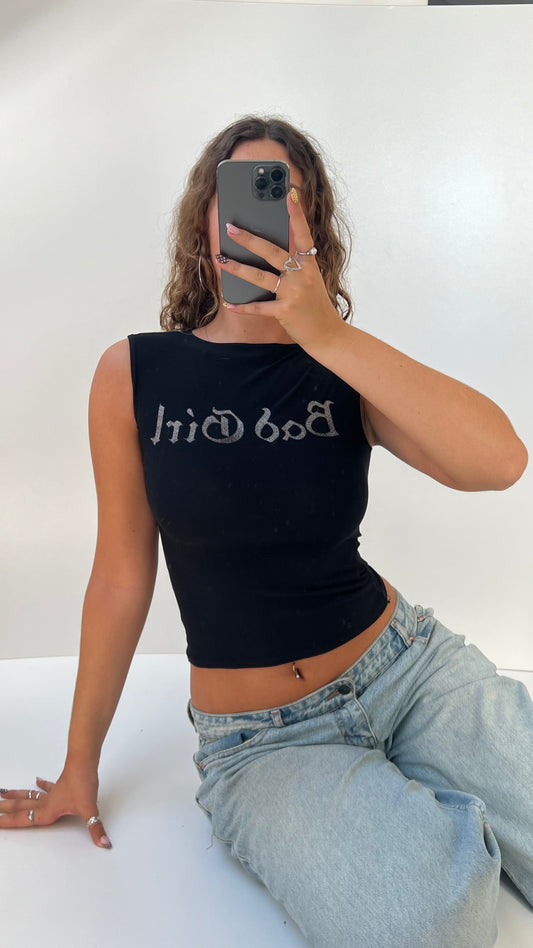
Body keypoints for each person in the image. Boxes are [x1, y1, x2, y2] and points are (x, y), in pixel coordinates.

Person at [1, 115, 531, 948]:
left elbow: (498, 461)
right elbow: (119, 577)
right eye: (241, 192)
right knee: (434, 926)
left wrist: (325, 331)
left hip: (408, 669)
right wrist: (79, 765)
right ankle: (441, 826)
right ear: (202, 220)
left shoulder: (342, 361)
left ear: (311, 228)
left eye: (285, 195)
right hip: (264, 742)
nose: (260, 213)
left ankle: (438, 804)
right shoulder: (134, 373)